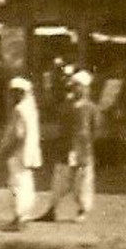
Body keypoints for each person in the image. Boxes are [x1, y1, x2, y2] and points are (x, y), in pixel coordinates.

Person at [39, 70, 100, 223]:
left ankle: (82, 210)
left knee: (82, 182)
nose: (74, 89)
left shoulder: (91, 108)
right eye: (73, 86)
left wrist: (85, 143)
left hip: (83, 150)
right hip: (66, 148)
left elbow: (95, 129)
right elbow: (62, 126)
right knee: (59, 181)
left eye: (78, 86)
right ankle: (52, 210)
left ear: (85, 88)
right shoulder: (67, 106)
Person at [0, 76, 42, 230]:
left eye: (15, 92)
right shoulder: (31, 108)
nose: (12, 96)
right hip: (28, 152)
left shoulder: (20, 109)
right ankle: (24, 216)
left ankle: (19, 217)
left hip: (18, 152)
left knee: (17, 184)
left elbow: (18, 134)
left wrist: (6, 149)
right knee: (25, 183)